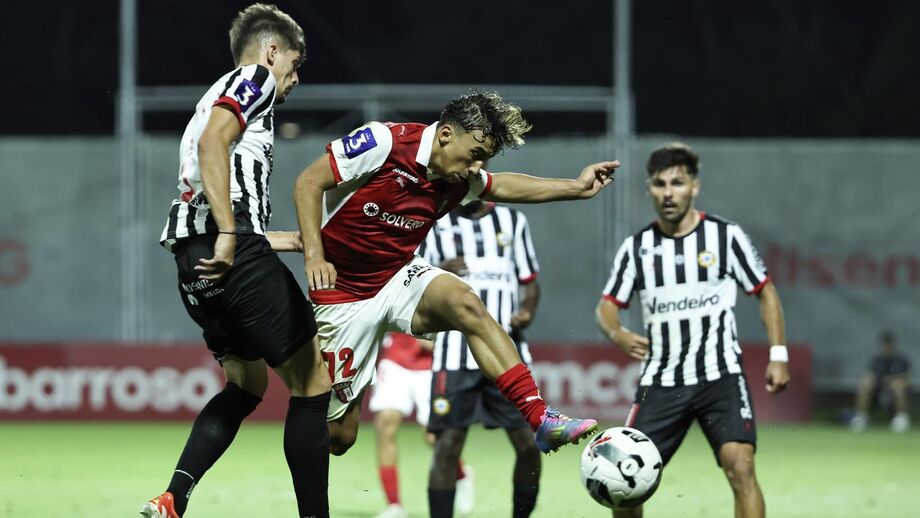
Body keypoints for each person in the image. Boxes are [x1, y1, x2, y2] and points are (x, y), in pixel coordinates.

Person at [293, 92, 614, 463]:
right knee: (339, 436)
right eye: (476, 155)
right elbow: (308, 182)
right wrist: (314, 255)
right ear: (445, 134)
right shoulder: (385, 141)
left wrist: (576, 187)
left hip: (397, 276)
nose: (478, 167)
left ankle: (540, 417)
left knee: (465, 303)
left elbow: (505, 186)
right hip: (344, 294)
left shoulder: (458, 174)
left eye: (484, 159)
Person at [141, 5, 332, 518]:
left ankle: (172, 498)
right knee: (313, 384)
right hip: (228, 248)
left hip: (191, 258)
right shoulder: (255, 78)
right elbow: (214, 145)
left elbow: (211, 178)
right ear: (272, 51)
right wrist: (232, 234)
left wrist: (290, 239)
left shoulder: (210, 98)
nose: (293, 80)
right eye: (294, 64)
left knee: (247, 385)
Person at [596, 142, 791, 518]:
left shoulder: (725, 237)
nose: (668, 193)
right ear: (649, 189)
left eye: (677, 183)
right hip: (661, 381)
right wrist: (617, 333)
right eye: (659, 184)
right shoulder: (637, 248)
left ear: (694, 187)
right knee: (626, 482)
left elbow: (765, 292)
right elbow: (606, 308)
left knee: (741, 468)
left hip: (720, 375)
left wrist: (778, 354)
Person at [421, 199, 543, 518]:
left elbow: (530, 283)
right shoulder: (435, 223)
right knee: (447, 447)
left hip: (506, 355)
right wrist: (438, 273)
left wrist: (527, 311)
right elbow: (411, 283)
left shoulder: (513, 221)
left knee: (529, 446)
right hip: (453, 355)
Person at [849, 331, 911, 433]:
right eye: (884, 345)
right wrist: (870, 380)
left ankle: (901, 419)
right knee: (864, 384)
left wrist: (894, 382)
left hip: (896, 392)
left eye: (888, 345)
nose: (886, 347)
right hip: (877, 390)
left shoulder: (901, 360)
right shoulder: (877, 360)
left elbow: (907, 379)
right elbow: (870, 375)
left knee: (898, 386)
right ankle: (860, 418)